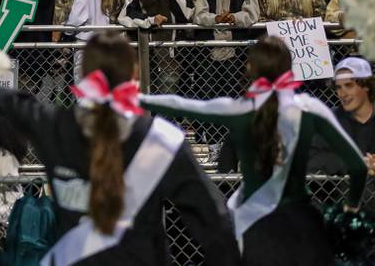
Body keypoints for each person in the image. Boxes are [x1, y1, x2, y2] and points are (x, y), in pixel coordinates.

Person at [0, 32, 239, 265]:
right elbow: (214, 223)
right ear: (134, 75)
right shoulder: (161, 140)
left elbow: (9, 101)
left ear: (83, 76)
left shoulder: (53, 126)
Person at [142, 36, 368, 265]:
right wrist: (351, 208)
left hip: (256, 228)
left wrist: (136, 99)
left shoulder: (237, 111)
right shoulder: (311, 109)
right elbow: (358, 166)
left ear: (250, 68)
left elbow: (180, 104)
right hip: (302, 228)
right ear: (289, 68)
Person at [119, 0, 193, 93]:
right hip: (145, 57)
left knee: (166, 105)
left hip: (171, 57)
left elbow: (188, 13)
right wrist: (150, 20)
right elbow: (124, 15)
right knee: (145, 104)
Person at [192, 0, 260, 96]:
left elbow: (253, 14)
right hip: (207, 51)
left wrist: (234, 18)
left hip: (236, 52)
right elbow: (198, 15)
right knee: (207, 96)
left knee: (235, 95)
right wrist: (216, 19)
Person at [65, 0, 111, 80]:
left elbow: (76, 18)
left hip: (87, 46)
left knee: (84, 94)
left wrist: (66, 31)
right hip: (102, 45)